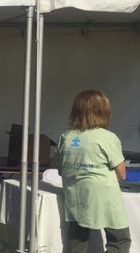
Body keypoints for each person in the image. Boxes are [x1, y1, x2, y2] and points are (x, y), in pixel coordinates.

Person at [52, 90, 131, 253]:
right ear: (103, 111)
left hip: (75, 196)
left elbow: (61, 169)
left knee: (78, 240)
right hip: (105, 198)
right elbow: (122, 174)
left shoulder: (65, 137)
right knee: (119, 239)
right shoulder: (107, 137)